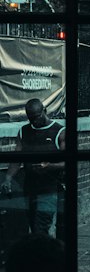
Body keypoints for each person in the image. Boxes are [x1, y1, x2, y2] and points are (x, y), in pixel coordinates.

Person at [1, 98, 66, 238]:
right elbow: (16, 159)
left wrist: (49, 166)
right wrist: (8, 179)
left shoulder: (59, 132)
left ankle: (43, 257)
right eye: (30, 118)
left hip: (50, 187)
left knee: (41, 224)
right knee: (31, 224)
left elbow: (68, 162)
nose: (33, 121)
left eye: (36, 117)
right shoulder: (24, 132)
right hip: (29, 186)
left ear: (45, 111)